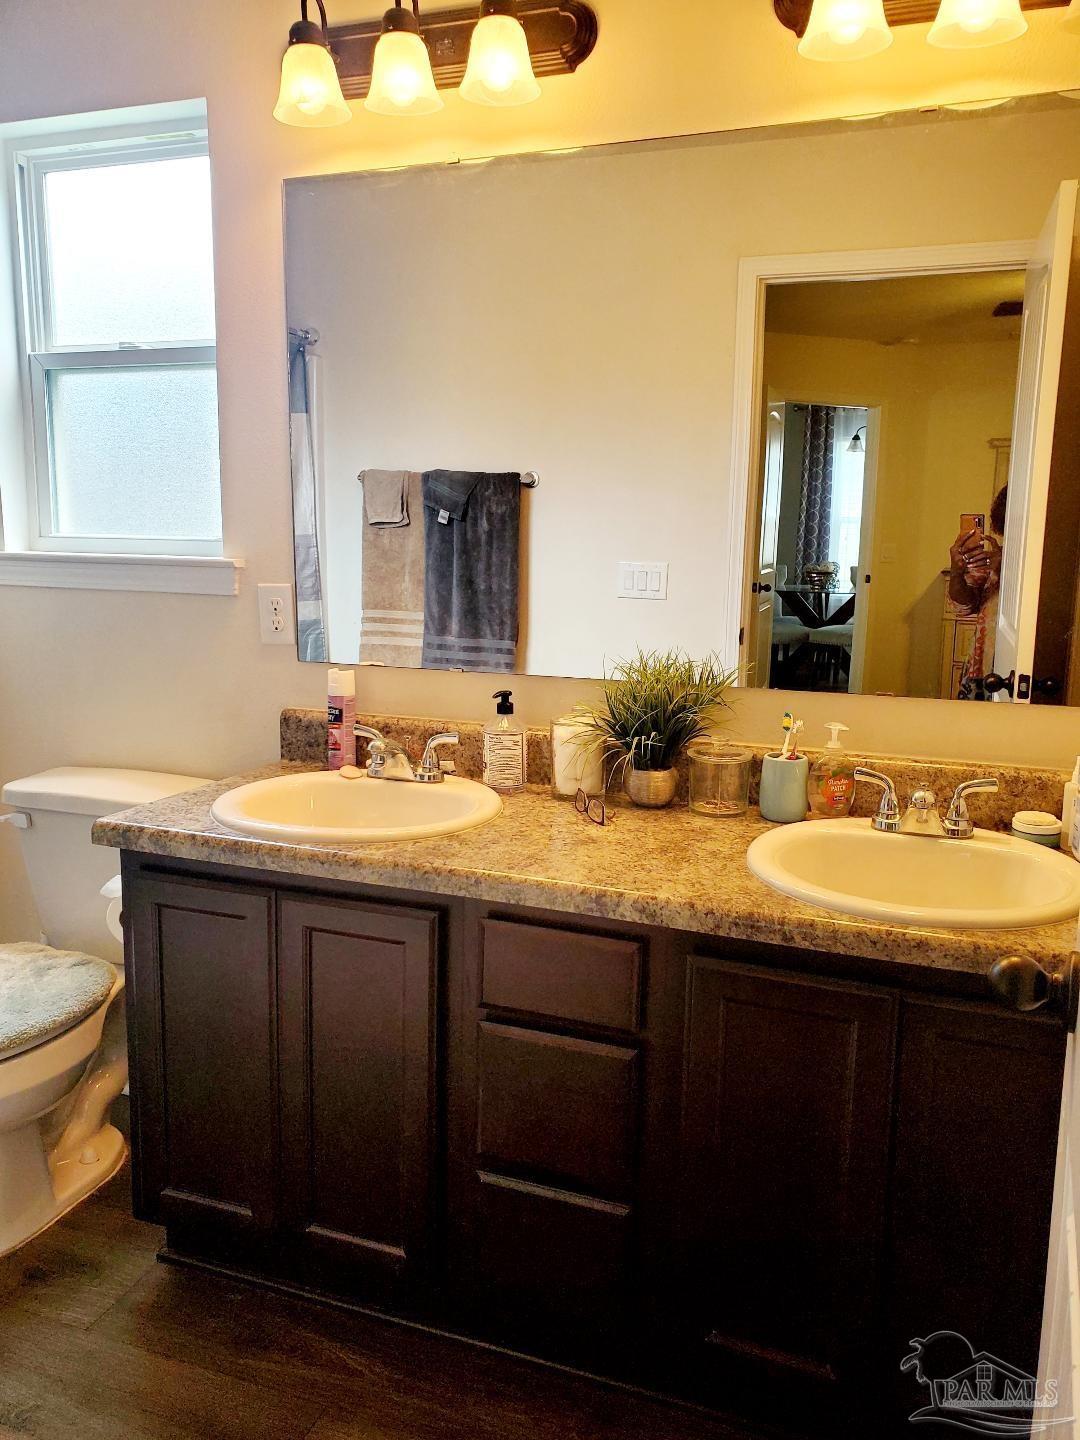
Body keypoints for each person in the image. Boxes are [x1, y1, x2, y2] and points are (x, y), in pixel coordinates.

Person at [949, 485, 1006, 701]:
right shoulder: (993, 560)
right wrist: (957, 572)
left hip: (1011, 664)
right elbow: (963, 607)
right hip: (980, 665)